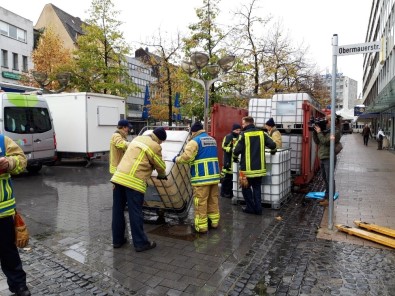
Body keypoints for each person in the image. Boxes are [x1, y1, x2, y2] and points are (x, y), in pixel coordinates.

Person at [110, 127, 167, 252]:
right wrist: (162, 175)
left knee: (117, 211)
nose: (161, 144)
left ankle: (117, 240)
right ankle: (140, 243)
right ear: (160, 140)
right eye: (161, 142)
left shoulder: (137, 139)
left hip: (118, 178)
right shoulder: (155, 146)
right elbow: (160, 165)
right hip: (134, 182)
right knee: (135, 212)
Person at [173, 121, 220, 234]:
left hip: (202, 177)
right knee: (213, 200)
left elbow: (187, 157)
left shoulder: (194, 141)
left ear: (193, 131)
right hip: (214, 176)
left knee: (200, 202)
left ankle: (201, 227)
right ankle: (214, 222)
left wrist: (176, 159)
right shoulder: (211, 139)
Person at [0, 134, 31, 296]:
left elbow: (22, 161)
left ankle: (19, 285)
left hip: (3, 212)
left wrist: (9, 162)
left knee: (8, 252)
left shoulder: (2, 141)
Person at [233, 116, 277, 215]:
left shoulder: (243, 135)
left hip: (246, 170)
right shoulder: (262, 133)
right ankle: (258, 209)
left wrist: (235, 158)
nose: (242, 125)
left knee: (245, 188)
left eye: (243, 124)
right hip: (259, 169)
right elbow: (273, 145)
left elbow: (236, 150)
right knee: (257, 189)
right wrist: (273, 152)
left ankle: (250, 208)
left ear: (247, 123)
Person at [312, 115, 341, 206]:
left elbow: (325, 141)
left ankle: (330, 200)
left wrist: (320, 132)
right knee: (325, 178)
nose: (326, 123)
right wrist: (315, 132)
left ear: (332, 121)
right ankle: (326, 196)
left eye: (327, 121)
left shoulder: (335, 131)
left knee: (329, 179)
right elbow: (318, 141)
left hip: (329, 157)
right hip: (323, 157)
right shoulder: (326, 131)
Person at [220, 123, 241, 199]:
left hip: (235, 160)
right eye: (236, 130)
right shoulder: (229, 137)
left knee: (233, 178)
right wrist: (232, 150)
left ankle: (230, 192)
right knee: (227, 178)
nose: (238, 131)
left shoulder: (239, 137)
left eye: (239, 130)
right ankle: (224, 192)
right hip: (228, 159)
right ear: (233, 130)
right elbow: (223, 147)